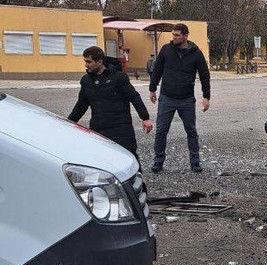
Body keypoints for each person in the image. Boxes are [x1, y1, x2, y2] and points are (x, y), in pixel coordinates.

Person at [68, 46, 153, 166]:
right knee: (102, 163)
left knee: (130, 160)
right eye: (85, 61)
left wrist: (145, 118)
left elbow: (134, 96)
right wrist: (69, 122)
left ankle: (137, 183)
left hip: (121, 128)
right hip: (98, 128)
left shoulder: (118, 77)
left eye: (89, 62)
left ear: (100, 61)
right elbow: (81, 104)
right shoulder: (86, 80)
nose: (86, 65)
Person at [148, 23, 211, 173]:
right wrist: (152, 89)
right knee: (161, 130)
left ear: (185, 35)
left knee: (191, 131)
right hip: (167, 98)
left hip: (186, 99)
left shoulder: (196, 53)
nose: (174, 38)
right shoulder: (166, 50)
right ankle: (158, 161)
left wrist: (206, 96)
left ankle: (195, 162)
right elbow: (157, 70)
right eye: (173, 35)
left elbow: (204, 76)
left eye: (177, 35)